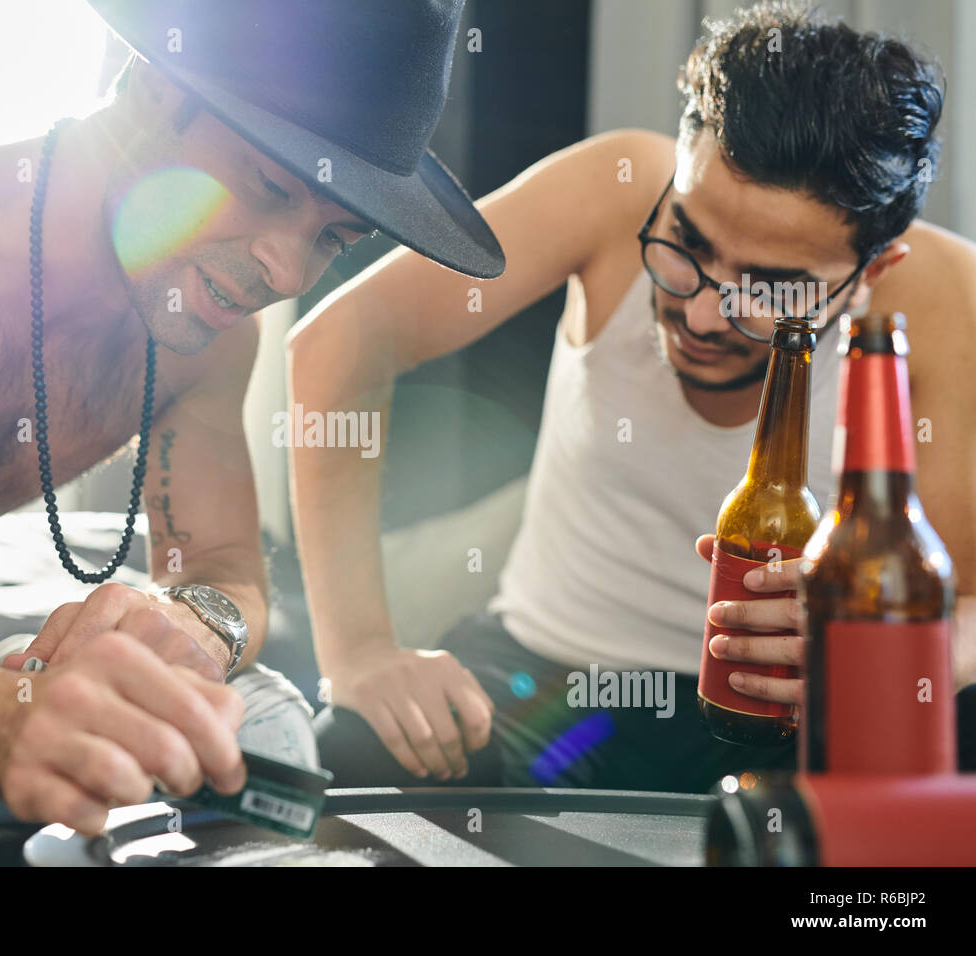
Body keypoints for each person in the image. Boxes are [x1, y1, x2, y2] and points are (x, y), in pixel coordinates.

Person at [0, 0, 503, 864]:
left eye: (332, 236)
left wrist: (189, 628)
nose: (285, 271)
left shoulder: (207, 337)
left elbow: (227, 575)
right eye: (268, 188)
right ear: (151, 91)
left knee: (259, 733)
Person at [290, 1, 976, 793]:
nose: (703, 313)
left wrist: (887, 655)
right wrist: (360, 654)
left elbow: (966, 607)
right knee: (349, 752)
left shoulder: (946, 305)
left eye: (772, 287)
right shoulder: (613, 186)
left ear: (874, 274)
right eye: (688, 242)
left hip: (799, 719)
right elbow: (340, 343)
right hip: (544, 684)